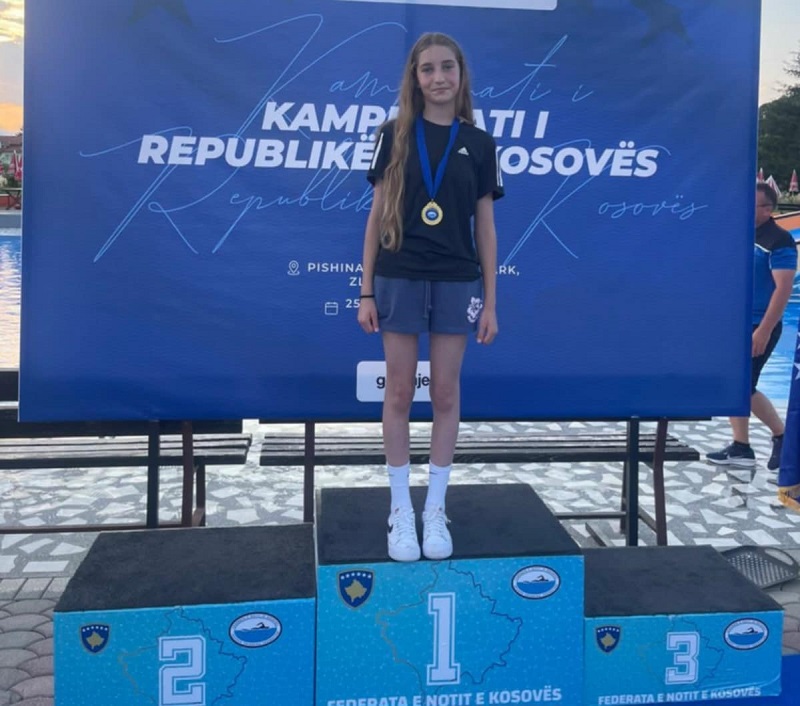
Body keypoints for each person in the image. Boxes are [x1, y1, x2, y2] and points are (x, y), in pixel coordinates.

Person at [357, 32, 503, 562]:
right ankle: (400, 510)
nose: (438, 77)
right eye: (427, 69)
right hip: (399, 274)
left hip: (457, 280)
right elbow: (376, 216)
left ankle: (435, 509)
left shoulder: (479, 143)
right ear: (415, 79)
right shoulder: (393, 134)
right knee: (398, 392)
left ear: (461, 75)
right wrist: (366, 289)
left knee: (444, 393)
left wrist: (491, 301)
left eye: (447, 67)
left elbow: (485, 227)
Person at [707, 183, 797, 469]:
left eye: (752, 204)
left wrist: (764, 330)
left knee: (742, 385)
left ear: (767, 209)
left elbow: (783, 289)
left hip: (760, 323)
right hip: (736, 323)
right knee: (734, 384)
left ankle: (782, 436)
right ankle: (741, 446)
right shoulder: (741, 233)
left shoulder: (779, 240)